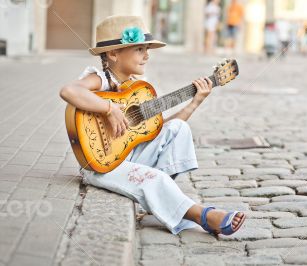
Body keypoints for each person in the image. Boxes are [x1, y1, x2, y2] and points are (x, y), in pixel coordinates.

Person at [59, 16, 245, 236]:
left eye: (147, 49)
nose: (147, 55)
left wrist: (196, 101)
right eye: (139, 49)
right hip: (102, 163)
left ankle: (159, 201)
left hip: (127, 154)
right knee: (155, 178)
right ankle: (203, 215)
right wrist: (109, 109)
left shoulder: (137, 90)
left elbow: (155, 131)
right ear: (113, 54)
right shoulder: (101, 80)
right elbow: (69, 91)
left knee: (178, 128)